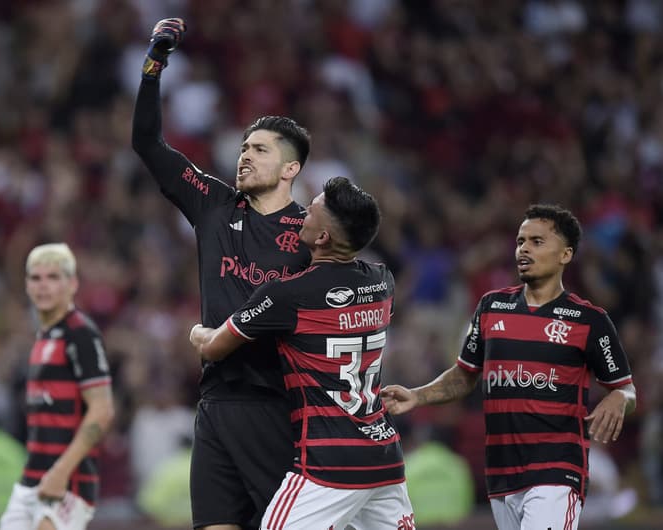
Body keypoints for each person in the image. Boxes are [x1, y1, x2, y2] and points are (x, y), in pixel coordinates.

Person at [132, 18, 313, 530]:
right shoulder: (214, 203)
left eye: (259, 149)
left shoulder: (310, 233)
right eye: (243, 147)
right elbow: (148, 144)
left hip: (275, 406)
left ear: (290, 169)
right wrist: (154, 66)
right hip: (213, 402)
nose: (244, 155)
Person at [381, 204, 636, 530]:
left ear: (565, 255)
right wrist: (418, 396)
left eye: (537, 241)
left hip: (556, 471)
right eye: (520, 241)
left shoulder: (589, 321)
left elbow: (626, 390)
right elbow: (464, 376)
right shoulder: (491, 307)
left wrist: (618, 398)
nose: (524, 249)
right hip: (502, 475)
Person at [190, 177, 414, 530]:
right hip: (384, 458)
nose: (302, 214)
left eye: (311, 210)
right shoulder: (382, 281)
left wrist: (197, 333)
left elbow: (215, 347)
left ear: (323, 237)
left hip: (329, 463)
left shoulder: (287, 295)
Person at [0, 243, 115, 530]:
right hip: (32, 478)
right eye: (36, 278)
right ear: (26, 285)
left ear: (72, 283)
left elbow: (102, 410)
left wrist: (61, 472)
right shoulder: (44, 337)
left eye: (53, 277)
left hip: (68, 481)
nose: (43, 286)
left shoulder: (81, 333)